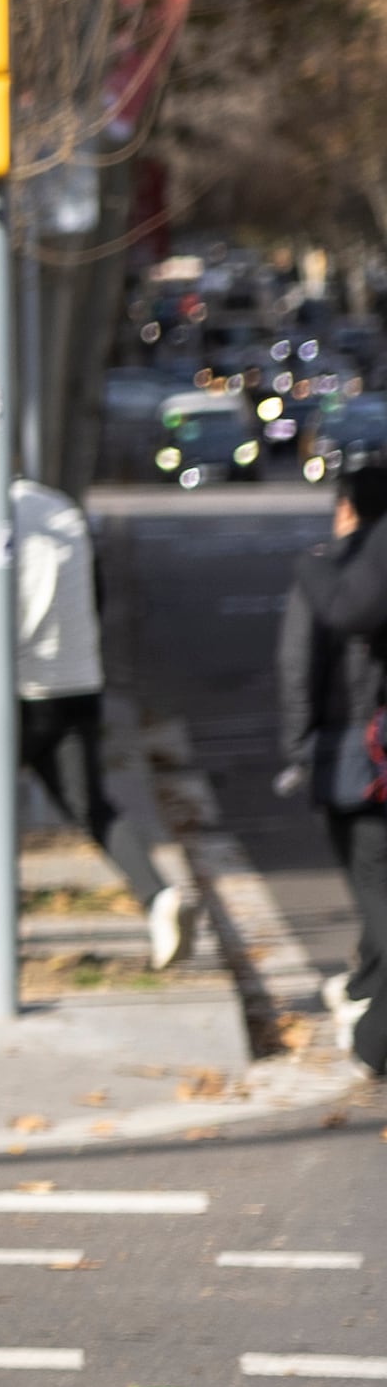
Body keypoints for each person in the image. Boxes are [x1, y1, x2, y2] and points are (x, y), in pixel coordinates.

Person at [11, 473, 193, 971]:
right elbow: (97, 593)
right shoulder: (61, 508)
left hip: (19, 686)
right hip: (78, 679)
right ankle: (157, 895)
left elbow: (6, 606)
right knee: (90, 803)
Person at [270, 451, 387, 1071]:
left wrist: (298, 747)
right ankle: (364, 990)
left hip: (351, 750)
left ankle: (372, 1024)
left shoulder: (331, 570)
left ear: (347, 508)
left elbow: (297, 666)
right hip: (362, 747)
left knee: (371, 878)